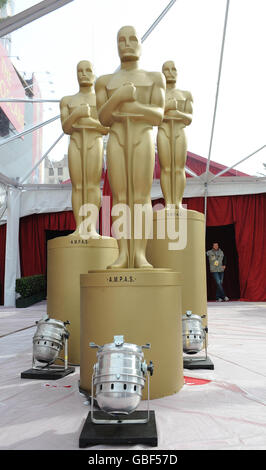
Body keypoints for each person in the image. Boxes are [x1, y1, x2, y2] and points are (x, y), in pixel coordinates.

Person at [95, 25, 166, 268]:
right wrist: (118, 97)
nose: (126, 43)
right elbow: (102, 118)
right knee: (120, 197)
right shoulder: (104, 81)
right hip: (116, 138)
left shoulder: (154, 77)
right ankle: (123, 253)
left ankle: (139, 254)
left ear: (140, 43)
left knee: (141, 197)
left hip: (143, 137)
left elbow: (158, 115)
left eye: (132, 38)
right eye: (121, 40)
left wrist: (134, 108)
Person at [60, 60, 108, 237]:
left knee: (93, 186)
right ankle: (80, 227)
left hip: (94, 143)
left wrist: (85, 121)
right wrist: (77, 114)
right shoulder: (67, 101)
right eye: (80, 71)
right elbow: (66, 127)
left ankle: (91, 228)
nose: (84, 74)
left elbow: (106, 127)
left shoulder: (101, 99)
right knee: (78, 186)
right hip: (75, 144)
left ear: (94, 73)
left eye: (88, 70)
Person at [157, 60, 193, 208]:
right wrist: (166, 109)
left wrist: (176, 111)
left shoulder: (185, 94)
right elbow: (153, 116)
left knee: (178, 168)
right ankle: (169, 203)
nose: (170, 72)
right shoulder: (158, 95)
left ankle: (177, 202)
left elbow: (188, 118)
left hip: (179, 131)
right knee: (166, 168)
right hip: (164, 130)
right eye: (166, 70)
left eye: (173, 69)